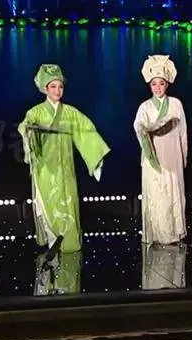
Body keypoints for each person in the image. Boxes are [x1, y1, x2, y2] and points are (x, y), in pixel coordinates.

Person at [18, 63, 111, 254]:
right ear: (45, 89)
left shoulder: (70, 113)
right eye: (53, 86)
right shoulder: (35, 112)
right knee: (49, 205)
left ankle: (69, 246)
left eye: (60, 86)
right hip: (45, 169)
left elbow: (87, 131)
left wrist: (95, 158)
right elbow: (24, 126)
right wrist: (30, 130)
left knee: (69, 205)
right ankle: (53, 244)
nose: (57, 90)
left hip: (66, 168)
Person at [133, 55, 188, 246]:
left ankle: (174, 233)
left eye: (161, 83)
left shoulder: (176, 104)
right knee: (157, 194)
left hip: (172, 155)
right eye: (154, 84)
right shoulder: (145, 107)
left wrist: (183, 156)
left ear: (167, 84)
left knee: (173, 193)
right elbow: (138, 126)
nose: (157, 87)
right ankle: (157, 234)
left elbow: (183, 133)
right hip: (153, 157)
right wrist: (146, 129)